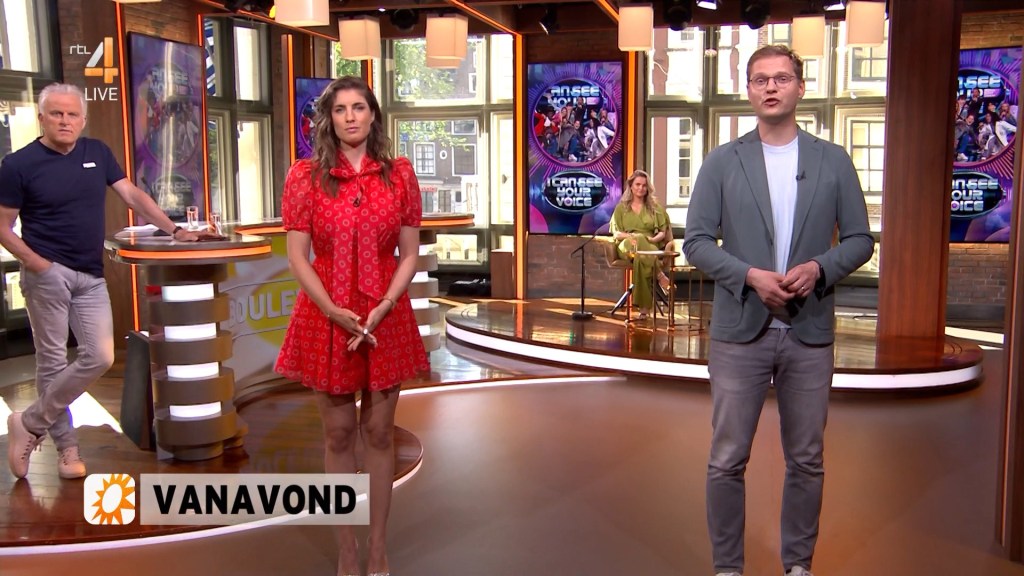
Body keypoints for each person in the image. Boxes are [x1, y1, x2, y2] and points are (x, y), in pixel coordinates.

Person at [683, 46, 873, 576]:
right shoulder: (722, 161)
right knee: (726, 459)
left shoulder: (833, 160)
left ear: (800, 87)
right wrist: (750, 276)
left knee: (807, 459)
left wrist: (818, 268)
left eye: (782, 78)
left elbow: (860, 239)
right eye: (761, 79)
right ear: (748, 90)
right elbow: (696, 242)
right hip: (739, 331)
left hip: (809, 330)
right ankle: (728, 568)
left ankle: (798, 565)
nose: (771, 86)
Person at [0, 83, 200, 480]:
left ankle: (30, 421)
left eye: (72, 114)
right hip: (47, 276)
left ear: (83, 119)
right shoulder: (18, 164)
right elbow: (3, 226)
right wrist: (38, 264)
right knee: (52, 362)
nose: (65, 121)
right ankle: (67, 449)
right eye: (56, 114)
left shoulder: (97, 152)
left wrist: (175, 230)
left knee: (101, 356)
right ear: (41, 118)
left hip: (90, 275)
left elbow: (133, 196)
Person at [274, 76, 428, 576]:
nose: (350, 117)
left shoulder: (399, 175)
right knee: (338, 435)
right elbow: (297, 257)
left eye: (359, 107)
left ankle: (378, 547)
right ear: (329, 119)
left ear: (373, 114)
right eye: (340, 109)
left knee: (379, 433)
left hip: (386, 314)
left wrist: (385, 303)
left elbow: (409, 254)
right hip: (327, 314)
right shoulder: (305, 177)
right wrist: (332, 310)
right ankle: (346, 549)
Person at [610, 169, 671, 321]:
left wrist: (652, 240)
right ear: (631, 186)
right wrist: (634, 237)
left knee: (640, 260)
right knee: (639, 240)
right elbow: (616, 234)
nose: (641, 188)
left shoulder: (655, 208)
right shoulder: (621, 208)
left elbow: (662, 233)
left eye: (644, 185)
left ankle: (644, 311)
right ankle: (660, 276)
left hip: (649, 244)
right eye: (637, 184)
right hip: (627, 245)